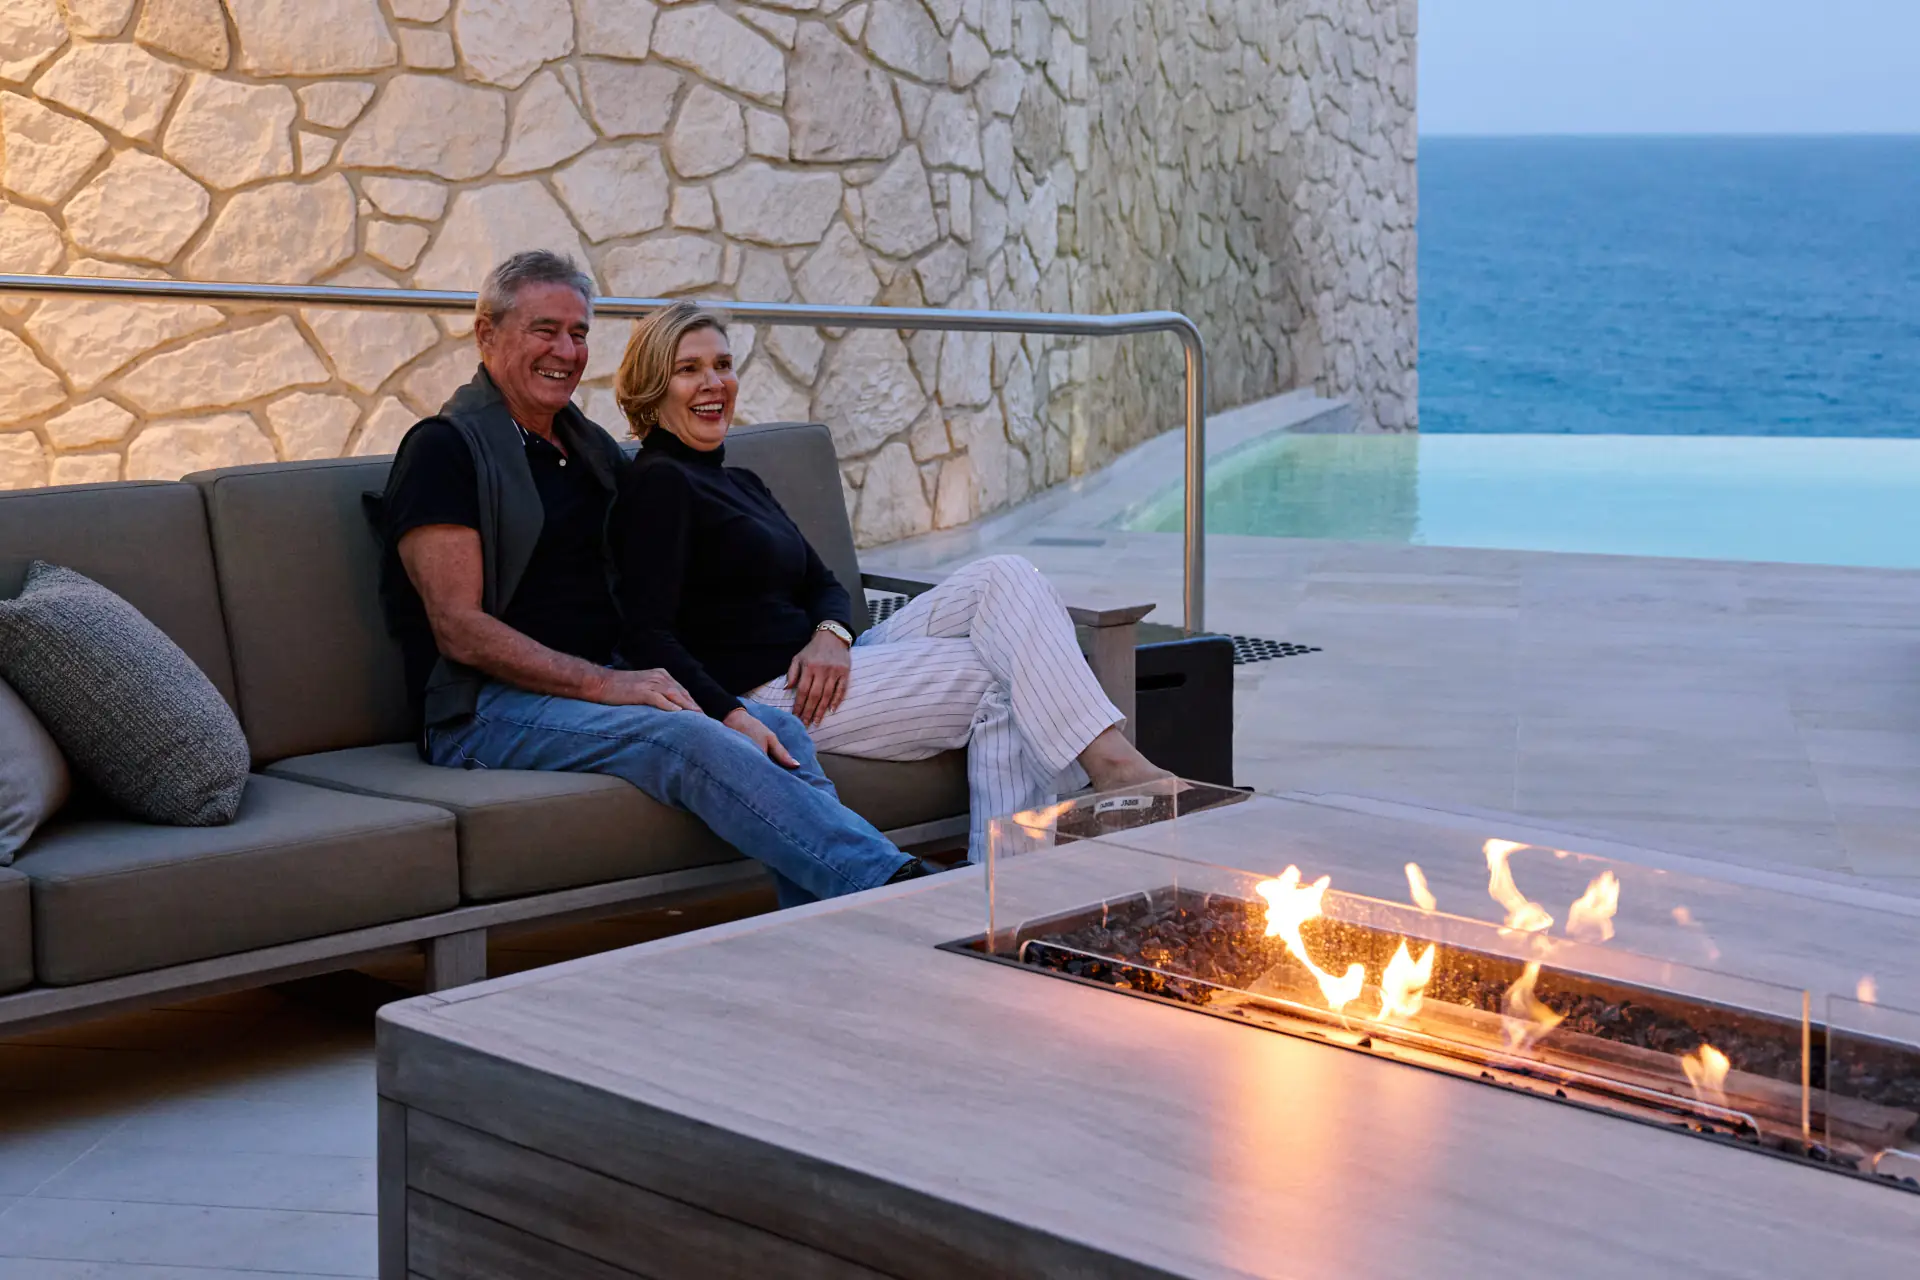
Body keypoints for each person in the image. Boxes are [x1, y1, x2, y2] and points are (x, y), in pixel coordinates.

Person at [377, 251, 928, 906]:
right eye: (544, 330)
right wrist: (609, 684)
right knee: (685, 736)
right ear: (487, 334)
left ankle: (833, 928)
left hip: (605, 682)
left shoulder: (588, 450)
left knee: (780, 732)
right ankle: (896, 891)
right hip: (484, 710)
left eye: (579, 333)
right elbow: (459, 629)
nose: (566, 351)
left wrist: (729, 689)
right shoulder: (443, 449)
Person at [607, 302, 1173, 862]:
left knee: (1005, 574)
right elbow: (647, 634)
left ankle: (1108, 769)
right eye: (689, 369)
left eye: (723, 365)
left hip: (834, 662)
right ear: (652, 391)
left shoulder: (741, 482)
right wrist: (732, 713)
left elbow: (824, 583)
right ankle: (1021, 872)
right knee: (1001, 679)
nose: (714, 383)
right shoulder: (659, 485)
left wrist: (831, 634)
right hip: (778, 692)